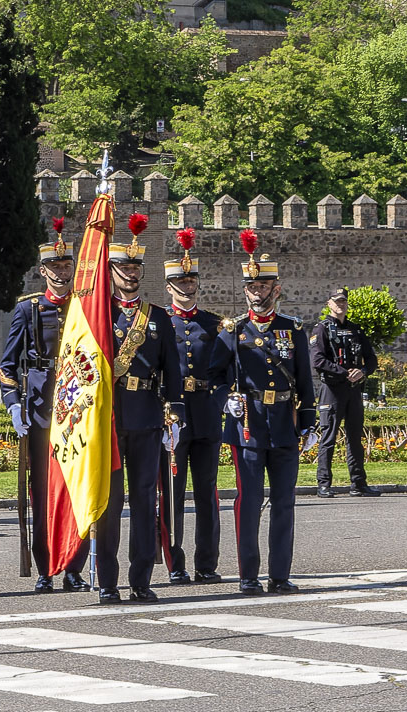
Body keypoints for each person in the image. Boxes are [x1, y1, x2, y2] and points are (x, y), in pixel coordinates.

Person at [91, 215, 183, 604]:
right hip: (109, 418)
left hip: (146, 415)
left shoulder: (157, 317)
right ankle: (108, 582)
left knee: (146, 501)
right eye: (123, 268)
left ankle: (141, 580)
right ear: (110, 271)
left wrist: (174, 415)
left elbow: (172, 371)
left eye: (135, 268)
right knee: (110, 505)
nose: (130, 274)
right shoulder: (97, 315)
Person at [218, 237, 315, 595]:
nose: (257, 293)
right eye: (252, 287)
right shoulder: (234, 330)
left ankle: (279, 574)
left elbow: (305, 380)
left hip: (285, 424)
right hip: (249, 424)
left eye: (263, 287)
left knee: (284, 503)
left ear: (277, 289)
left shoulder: (293, 328)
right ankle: (248, 576)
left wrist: (309, 422)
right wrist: (227, 399)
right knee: (249, 503)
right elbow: (216, 376)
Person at [0, 219, 88, 592]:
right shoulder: (29, 309)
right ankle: (46, 567)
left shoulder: (85, 307)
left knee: (77, 490)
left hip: (77, 413)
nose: (61, 272)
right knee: (43, 493)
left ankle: (74, 568)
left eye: (66, 266)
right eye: (55, 266)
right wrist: (13, 405)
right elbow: (7, 366)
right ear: (43, 270)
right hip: (41, 412)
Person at [162, 228, 230, 586]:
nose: (186, 287)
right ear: (169, 286)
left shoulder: (214, 324)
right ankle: (175, 563)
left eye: (191, 281)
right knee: (173, 495)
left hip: (206, 413)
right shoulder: (160, 323)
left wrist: (219, 401)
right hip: (174, 418)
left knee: (207, 493)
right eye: (180, 282)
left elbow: (226, 371)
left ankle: (207, 563)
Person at [310, 287, 380, 498]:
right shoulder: (321, 329)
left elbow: (372, 359)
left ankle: (358, 484)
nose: (340, 304)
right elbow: (317, 360)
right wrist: (344, 372)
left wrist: (363, 372)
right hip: (332, 390)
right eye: (337, 301)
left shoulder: (356, 330)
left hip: (353, 390)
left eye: (343, 301)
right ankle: (324, 484)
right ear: (329, 304)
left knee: (355, 438)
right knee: (328, 437)